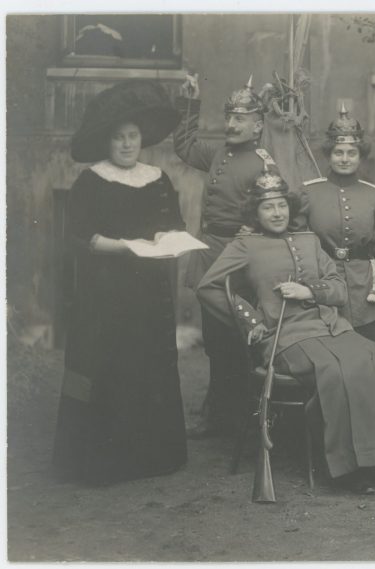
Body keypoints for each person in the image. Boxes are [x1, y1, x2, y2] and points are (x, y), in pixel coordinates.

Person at [196, 169, 375, 494]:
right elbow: (208, 286)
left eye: (281, 205)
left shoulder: (309, 240)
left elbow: (339, 289)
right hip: (285, 337)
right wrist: (250, 322)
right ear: (255, 212)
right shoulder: (245, 245)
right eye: (267, 207)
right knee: (337, 372)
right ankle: (349, 468)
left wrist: (310, 292)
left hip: (331, 327)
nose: (276, 213)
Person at [53, 80, 187, 485]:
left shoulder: (158, 178)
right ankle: (104, 460)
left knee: (147, 366)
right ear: (106, 142)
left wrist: (166, 240)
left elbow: (173, 226)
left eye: (132, 136)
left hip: (149, 292)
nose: (127, 145)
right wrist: (126, 247)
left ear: (141, 138)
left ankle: (152, 456)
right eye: (118, 138)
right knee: (108, 365)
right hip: (105, 292)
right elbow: (80, 237)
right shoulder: (91, 181)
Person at [174, 74, 279, 437]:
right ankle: (216, 409)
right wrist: (190, 104)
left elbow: (276, 212)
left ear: (258, 124)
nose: (231, 125)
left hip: (239, 260)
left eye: (241, 118)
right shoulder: (220, 151)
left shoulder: (263, 162)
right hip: (209, 255)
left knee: (240, 340)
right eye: (229, 117)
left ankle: (241, 415)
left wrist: (255, 238)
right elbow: (185, 146)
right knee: (215, 341)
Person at [300, 104, 375, 344]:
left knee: (369, 349)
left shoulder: (374, 195)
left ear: (361, 156)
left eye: (351, 153)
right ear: (329, 154)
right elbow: (298, 241)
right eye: (338, 152)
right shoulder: (310, 192)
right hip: (323, 282)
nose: (344, 159)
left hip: (364, 287)